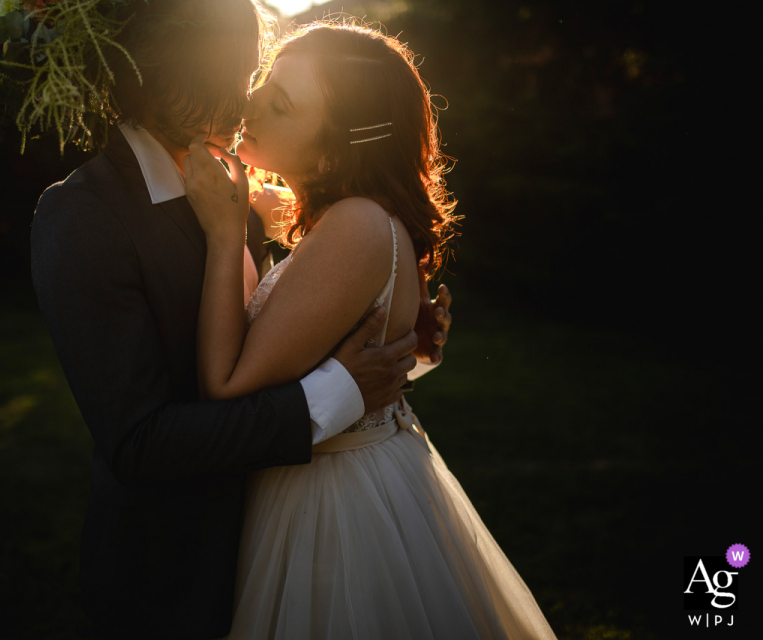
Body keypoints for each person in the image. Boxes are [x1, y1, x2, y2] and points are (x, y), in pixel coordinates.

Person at [29, 1, 452, 637]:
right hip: (176, 574)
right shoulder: (84, 217)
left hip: (305, 539)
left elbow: (299, 317)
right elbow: (139, 443)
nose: (243, 103)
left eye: (255, 81)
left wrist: (399, 330)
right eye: (238, 80)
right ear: (158, 76)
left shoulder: (240, 191)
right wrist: (343, 389)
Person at [183, 22, 559, 639]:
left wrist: (225, 236)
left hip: (334, 509)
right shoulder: (343, 214)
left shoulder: (356, 224)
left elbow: (226, 384)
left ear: (334, 153)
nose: (250, 105)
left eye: (280, 104)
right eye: (264, 83)